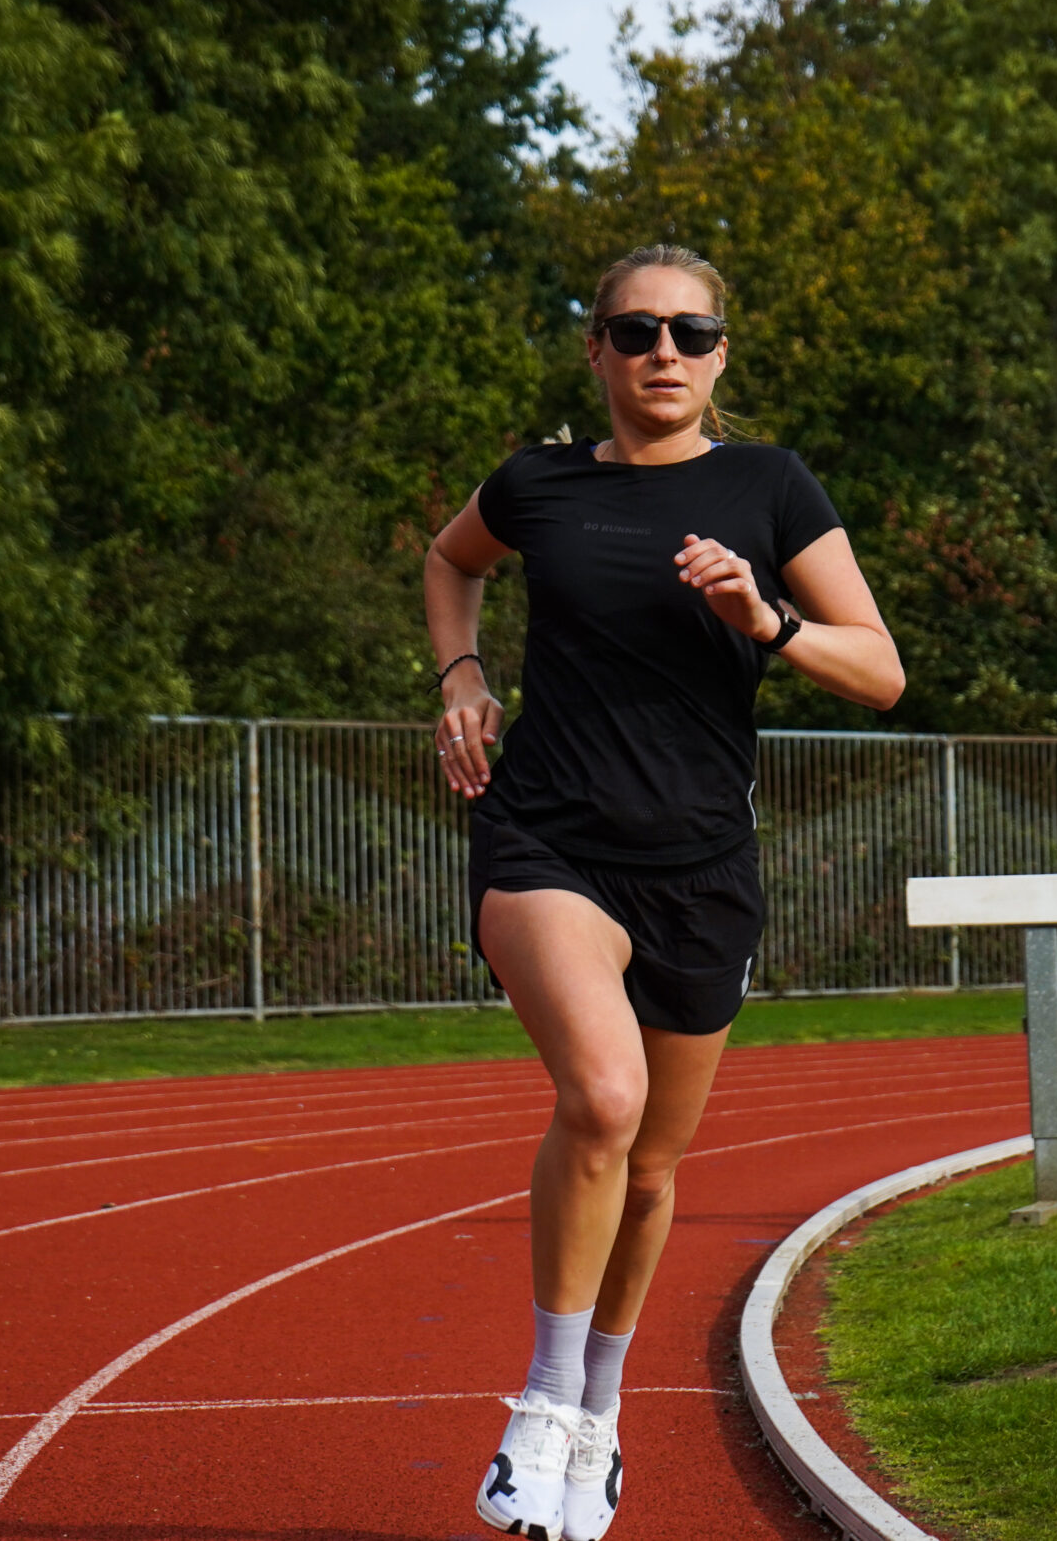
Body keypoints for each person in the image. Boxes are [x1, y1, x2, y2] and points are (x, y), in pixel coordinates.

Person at [425, 244, 903, 1539]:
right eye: (635, 332)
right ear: (596, 350)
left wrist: (771, 623)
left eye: (691, 333)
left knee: (649, 1169)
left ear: (721, 354)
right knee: (604, 1098)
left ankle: (599, 1415)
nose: (664, 354)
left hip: (700, 868)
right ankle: (538, 1406)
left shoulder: (770, 486)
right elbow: (449, 558)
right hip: (546, 844)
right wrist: (461, 677)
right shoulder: (538, 482)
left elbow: (883, 673)